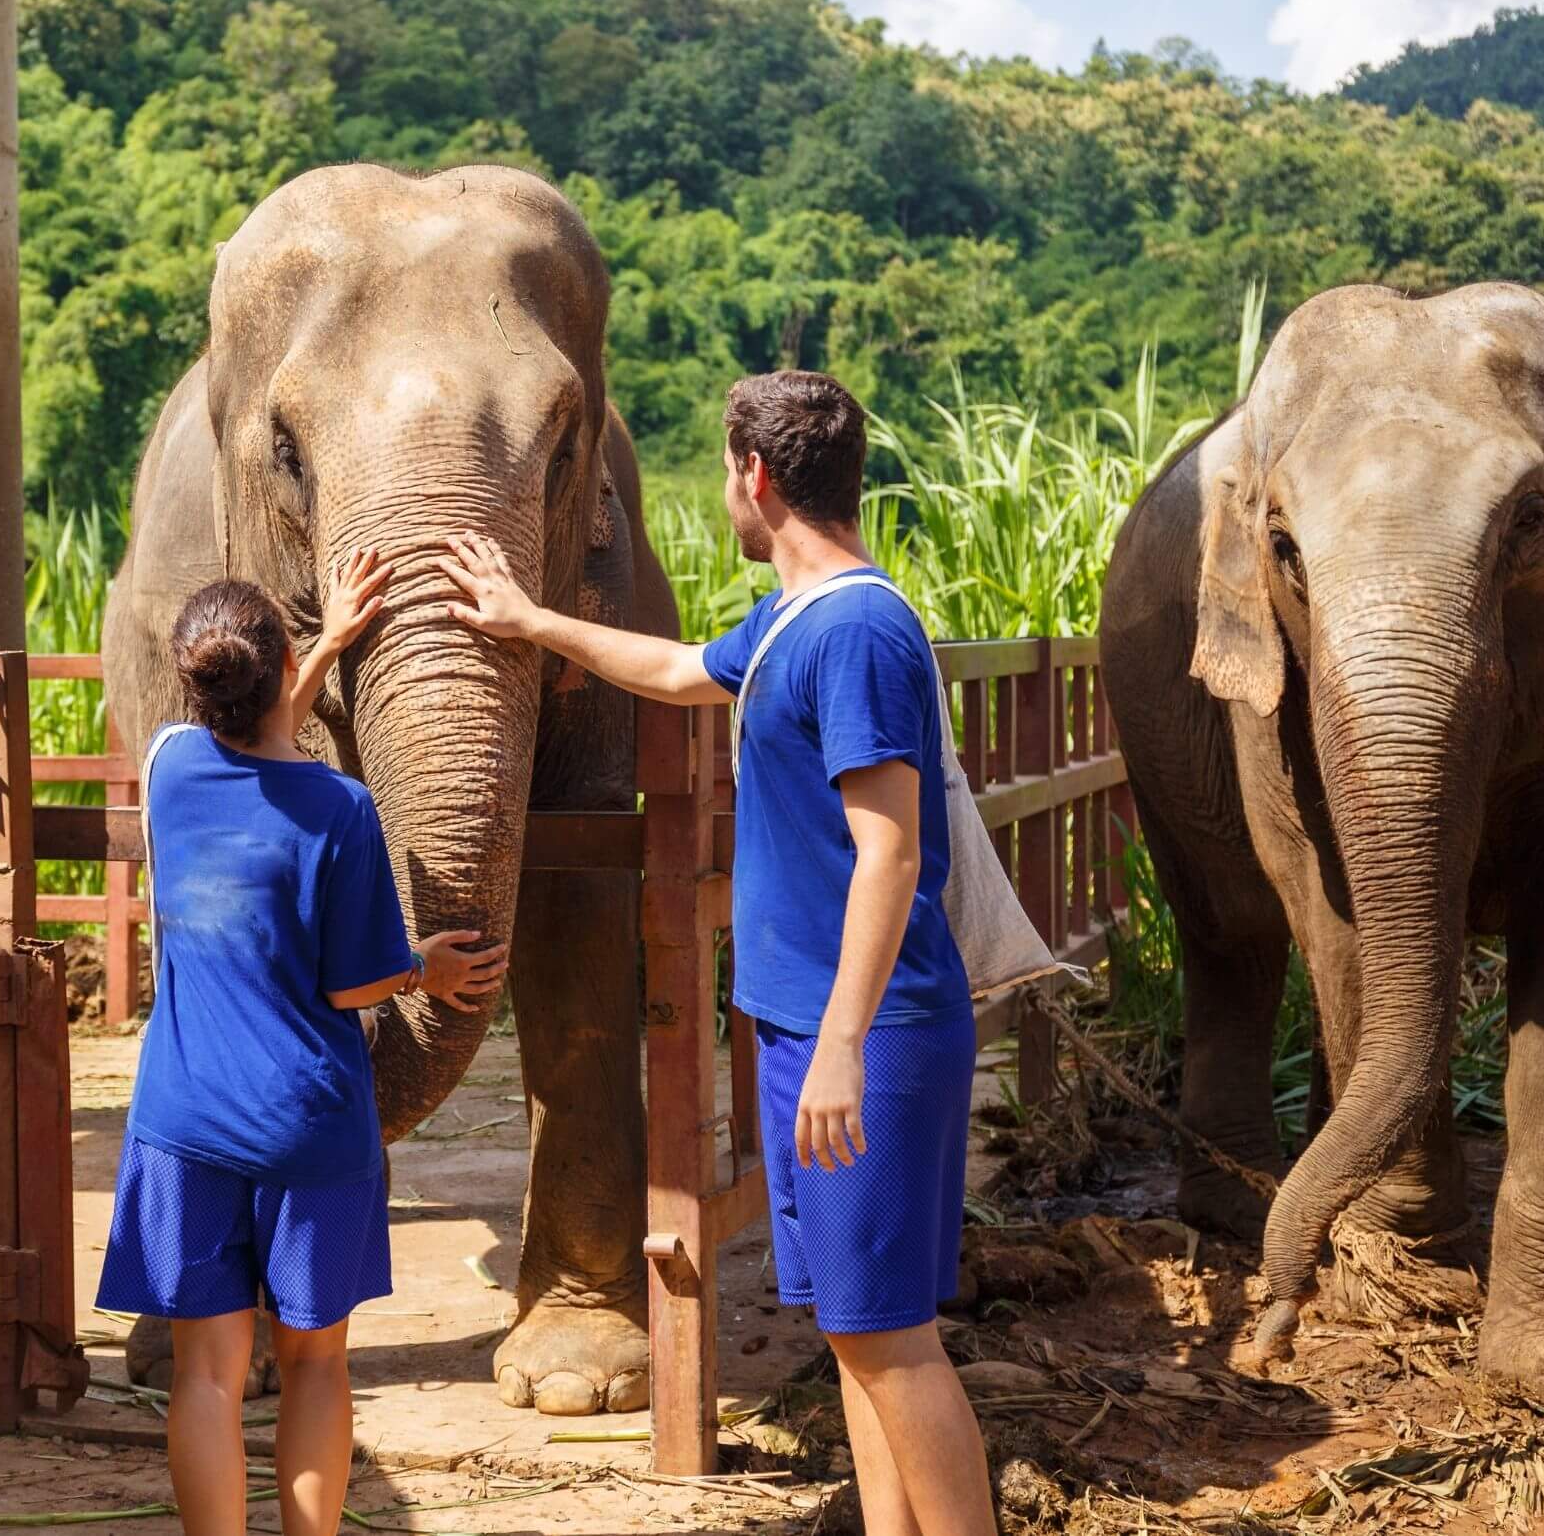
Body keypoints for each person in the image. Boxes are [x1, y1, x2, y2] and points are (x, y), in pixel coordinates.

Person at [437, 371, 994, 1536]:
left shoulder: (855, 630)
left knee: (890, 1336)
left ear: (754, 476)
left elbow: (888, 854)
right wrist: (529, 620)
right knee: (853, 1327)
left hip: (869, 1037)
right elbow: (684, 670)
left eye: (722, 471)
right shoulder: (791, 619)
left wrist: (842, 1043)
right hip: (808, 1025)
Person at [97, 552, 512, 1536]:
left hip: (185, 1119)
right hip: (308, 1127)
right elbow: (350, 981)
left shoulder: (166, 767)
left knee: (205, 1370)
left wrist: (315, 647)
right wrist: (424, 968)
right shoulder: (340, 810)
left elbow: (252, 736)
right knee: (316, 1361)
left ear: (195, 685)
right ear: (281, 669)